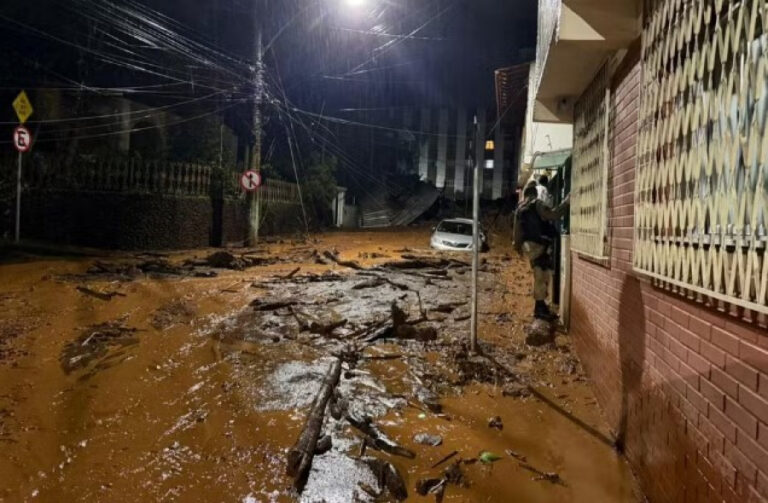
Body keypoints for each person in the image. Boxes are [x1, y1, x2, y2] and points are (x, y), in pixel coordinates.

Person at [513, 183, 569, 320]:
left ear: (525, 194)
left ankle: (541, 306)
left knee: (539, 274)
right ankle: (540, 307)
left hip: (528, 248)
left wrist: (519, 248)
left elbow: (516, 233)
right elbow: (553, 215)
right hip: (539, 245)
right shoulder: (536, 204)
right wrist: (566, 203)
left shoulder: (520, 208)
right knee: (543, 275)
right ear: (535, 194)